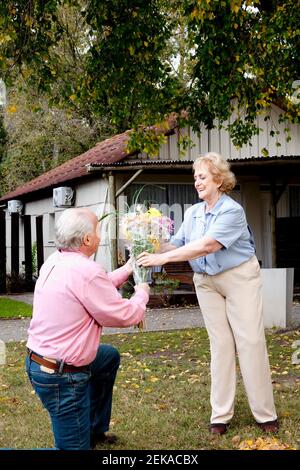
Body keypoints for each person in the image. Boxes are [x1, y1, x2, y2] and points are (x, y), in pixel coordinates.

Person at [137, 152, 279, 435]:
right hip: (205, 281)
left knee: (250, 342)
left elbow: (208, 245)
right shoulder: (192, 213)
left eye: (202, 177)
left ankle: (265, 415)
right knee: (221, 346)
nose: (197, 182)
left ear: (218, 179)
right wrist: (148, 241)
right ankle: (220, 416)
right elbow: (176, 244)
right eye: (195, 178)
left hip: (239, 277)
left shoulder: (232, 211)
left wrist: (163, 260)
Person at [26, 207, 149, 450]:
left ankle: (94, 429)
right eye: (98, 229)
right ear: (87, 239)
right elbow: (124, 315)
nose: (100, 235)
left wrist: (129, 268)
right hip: (62, 376)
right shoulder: (86, 271)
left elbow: (96, 285)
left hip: (39, 361)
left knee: (108, 358)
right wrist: (142, 293)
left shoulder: (57, 260)